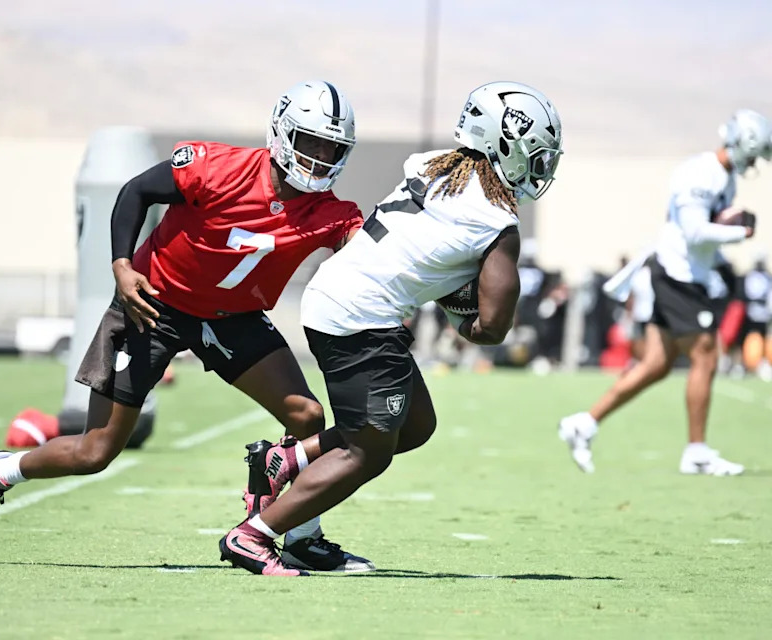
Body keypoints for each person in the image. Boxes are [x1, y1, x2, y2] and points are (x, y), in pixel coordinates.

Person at [0, 80, 375, 572]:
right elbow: (136, 192)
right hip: (153, 305)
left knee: (306, 416)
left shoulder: (331, 213)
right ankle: (0, 470)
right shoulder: (218, 167)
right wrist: (121, 265)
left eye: (331, 149)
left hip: (231, 318)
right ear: (282, 133)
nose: (320, 158)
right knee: (95, 451)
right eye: (311, 143)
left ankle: (301, 536)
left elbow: (372, 252)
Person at [219, 81, 564, 576]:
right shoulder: (496, 223)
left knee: (415, 424)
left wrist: (447, 286)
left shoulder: (432, 165)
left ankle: (289, 461)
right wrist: (459, 309)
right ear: (504, 146)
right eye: (535, 157)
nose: (541, 169)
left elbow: (428, 251)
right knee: (368, 452)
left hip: (337, 298)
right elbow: (491, 329)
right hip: (361, 316)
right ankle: (254, 535)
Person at [559, 109, 769, 476]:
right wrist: (740, 233)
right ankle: (697, 452)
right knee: (706, 355)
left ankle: (585, 423)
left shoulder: (724, 177)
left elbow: (704, 233)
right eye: (753, 156)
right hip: (677, 275)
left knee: (656, 364)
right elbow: (694, 231)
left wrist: (720, 257)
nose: (753, 164)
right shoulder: (700, 173)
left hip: (687, 274)